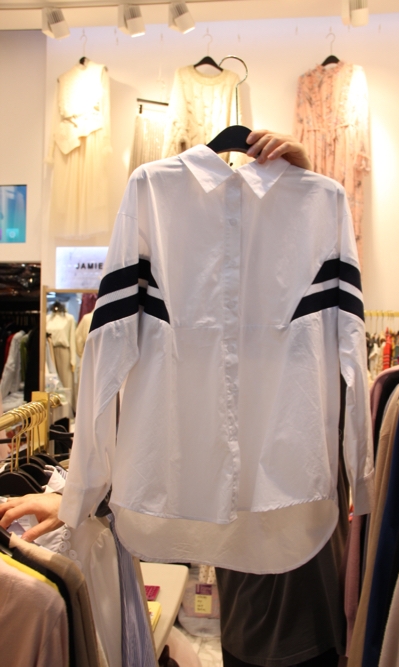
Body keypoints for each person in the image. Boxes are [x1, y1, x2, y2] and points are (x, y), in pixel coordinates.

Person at [0, 132, 344, 667]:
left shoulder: (320, 206)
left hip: (293, 539)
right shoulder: (151, 196)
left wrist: (299, 200)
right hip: (258, 529)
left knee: (275, 638)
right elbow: (110, 353)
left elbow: (340, 346)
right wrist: (81, 494)